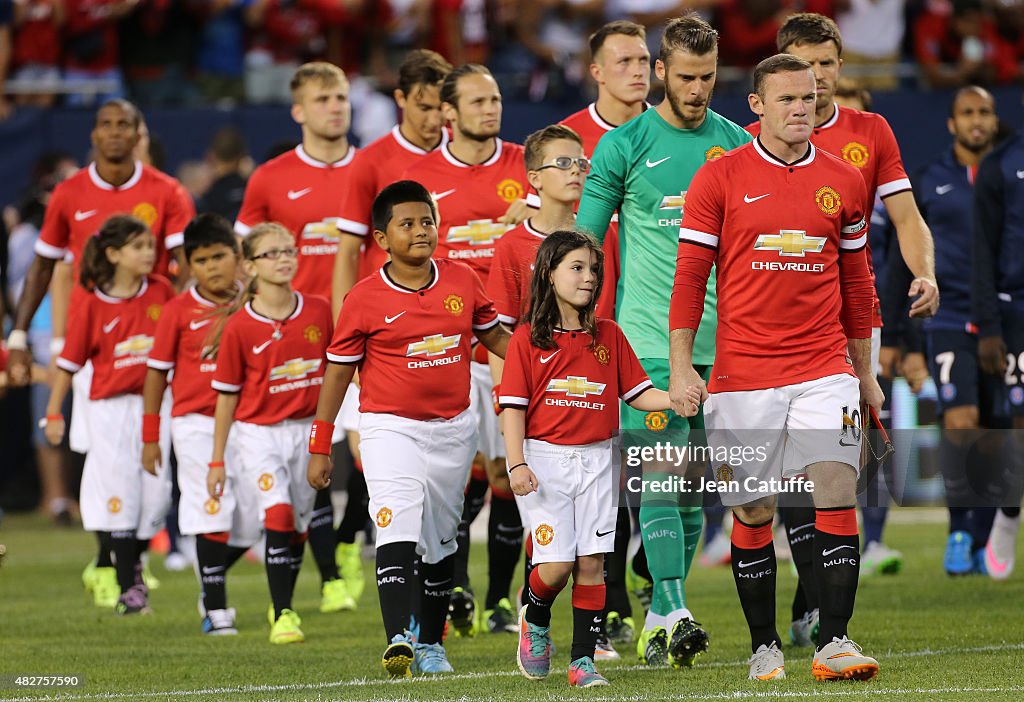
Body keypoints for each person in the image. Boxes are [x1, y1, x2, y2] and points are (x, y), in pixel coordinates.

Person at [671, 53, 881, 683]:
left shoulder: (844, 179)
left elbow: (857, 284)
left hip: (823, 368)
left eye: (810, 97)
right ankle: (764, 644)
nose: (801, 108)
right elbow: (689, 281)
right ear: (756, 105)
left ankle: (834, 641)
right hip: (743, 376)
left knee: (837, 490)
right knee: (755, 510)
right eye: (787, 99)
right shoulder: (720, 178)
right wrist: (683, 368)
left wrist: (864, 373)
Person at [757, 13, 939, 646]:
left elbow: (908, 217)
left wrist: (926, 272)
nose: (819, 77)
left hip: (852, 326)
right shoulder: (751, 139)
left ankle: (814, 602)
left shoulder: (870, 132)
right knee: (787, 474)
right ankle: (814, 608)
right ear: (782, 68)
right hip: (774, 331)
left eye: (828, 64)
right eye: (805, 65)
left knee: (840, 466)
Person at [576, 13, 750, 669]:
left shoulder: (736, 144)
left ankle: (658, 614)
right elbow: (585, 248)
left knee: (691, 487)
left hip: (723, 346)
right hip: (648, 340)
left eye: (707, 77)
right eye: (685, 77)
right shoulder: (622, 146)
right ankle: (675, 606)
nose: (698, 89)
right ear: (660, 73)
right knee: (659, 472)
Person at [307, 180, 511, 677]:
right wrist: (320, 443)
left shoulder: (463, 280)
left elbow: (496, 338)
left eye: (427, 221)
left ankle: (431, 643)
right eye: (407, 224)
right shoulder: (363, 298)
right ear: (382, 238)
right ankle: (398, 637)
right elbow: (337, 372)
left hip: (454, 429)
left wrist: (548, 358)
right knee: (395, 519)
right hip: (387, 428)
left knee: (442, 540)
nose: (421, 231)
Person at [503, 230, 698, 688]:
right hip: (544, 462)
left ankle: (581, 661)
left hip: (599, 461)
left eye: (593, 269)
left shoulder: (608, 334)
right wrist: (516, 464)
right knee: (556, 566)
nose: (588, 277)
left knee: (592, 564)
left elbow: (638, 392)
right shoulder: (527, 340)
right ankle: (534, 616)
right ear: (549, 275)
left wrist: (675, 398)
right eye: (576, 268)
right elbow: (512, 408)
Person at [400, 63, 531, 637]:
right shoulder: (421, 178)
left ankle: (501, 600)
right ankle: (450, 583)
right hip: (450, 353)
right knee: (453, 480)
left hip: (510, 347)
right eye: (478, 101)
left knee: (507, 472)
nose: (491, 108)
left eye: (496, 98)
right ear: (448, 113)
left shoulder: (527, 164)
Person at [331, 49, 453, 606]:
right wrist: (345, 333)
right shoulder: (372, 161)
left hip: (452, 327)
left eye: (442, 107)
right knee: (377, 457)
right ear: (401, 99)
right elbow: (346, 250)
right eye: (425, 106)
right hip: (383, 334)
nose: (435, 119)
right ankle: (366, 543)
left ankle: (443, 579)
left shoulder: (464, 159)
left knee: (461, 476)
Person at [234, 61, 356, 613]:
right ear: (299, 110)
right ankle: (328, 571)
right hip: (298, 348)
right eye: (324, 98)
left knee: (366, 456)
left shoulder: (371, 167)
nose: (336, 106)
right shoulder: (270, 178)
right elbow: (245, 259)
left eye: (342, 96)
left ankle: (348, 548)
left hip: (366, 337)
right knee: (309, 470)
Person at [208, 222, 334, 645]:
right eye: (271, 253)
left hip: (307, 432)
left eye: (289, 251)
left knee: (297, 528)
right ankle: (283, 614)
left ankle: (283, 599)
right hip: (258, 434)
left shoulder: (318, 310)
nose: (283, 259)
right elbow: (226, 399)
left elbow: (340, 373)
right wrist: (216, 459)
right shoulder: (240, 326)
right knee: (277, 515)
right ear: (249, 265)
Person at [43, 215, 174, 615]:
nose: (148, 253)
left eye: (151, 245)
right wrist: (53, 412)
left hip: (157, 405)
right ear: (114, 254)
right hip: (110, 410)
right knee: (121, 495)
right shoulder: (93, 301)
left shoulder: (162, 291)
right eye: (138, 247)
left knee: (156, 498)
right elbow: (69, 362)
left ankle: (128, 564)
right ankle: (128, 589)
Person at [143, 214, 261, 635]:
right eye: (202, 259)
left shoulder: (255, 301)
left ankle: (210, 578)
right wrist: (150, 436)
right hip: (194, 424)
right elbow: (156, 373)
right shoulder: (176, 312)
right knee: (211, 510)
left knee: (255, 519)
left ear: (239, 257)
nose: (212, 267)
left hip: (248, 422)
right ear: (189, 265)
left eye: (220, 256)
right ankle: (216, 610)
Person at [971, 90, 1024, 581]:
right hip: (1017, 310)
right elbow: (982, 254)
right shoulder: (1002, 165)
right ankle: (1009, 514)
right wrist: (988, 326)